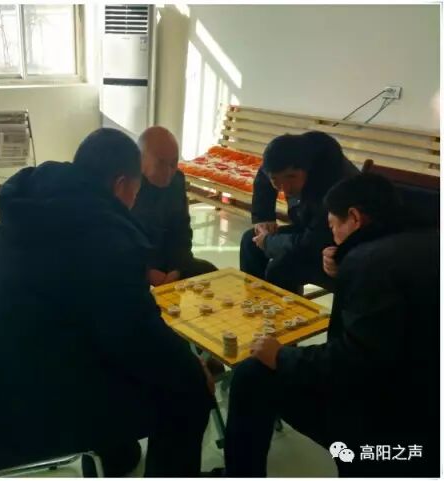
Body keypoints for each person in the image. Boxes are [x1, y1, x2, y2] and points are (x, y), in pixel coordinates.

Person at [0, 128, 214, 477]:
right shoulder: (103, 236)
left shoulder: (34, 202)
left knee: (113, 349)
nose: (132, 204)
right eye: (135, 193)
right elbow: (138, 336)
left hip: (0, 384)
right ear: (121, 185)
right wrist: (191, 366)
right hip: (33, 410)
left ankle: (114, 451)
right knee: (189, 393)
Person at [224, 173, 439, 477]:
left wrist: (282, 356)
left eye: (333, 226)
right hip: (427, 402)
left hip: (386, 417)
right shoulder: (426, 239)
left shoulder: (371, 263)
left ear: (355, 217)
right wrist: (346, 269)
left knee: (252, 374)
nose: (333, 237)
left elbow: (354, 361)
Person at [241, 131, 359, 294]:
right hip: (310, 227)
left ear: (307, 168)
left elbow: (313, 242)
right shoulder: (290, 156)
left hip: (336, 244)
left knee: (281, 268)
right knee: (250, 241)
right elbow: (265, 175)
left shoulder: (333, 180)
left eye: (291, 177)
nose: (286, 189)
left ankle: (285, 309)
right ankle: (254, 300)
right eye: (276, 180)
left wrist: (269, 242)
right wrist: (263, 217)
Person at [131, 126, 217, 287]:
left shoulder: (177, 181)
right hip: (135, 264)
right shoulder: (127, 186)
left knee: (211, 274)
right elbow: (119, 242)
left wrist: (177, 269)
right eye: (161, 163)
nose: (169, 171)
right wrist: (147, 271)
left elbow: (182, 232)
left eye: (173, 163)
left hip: (170, 262)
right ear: (140, 160)